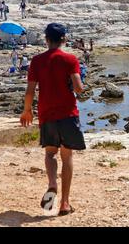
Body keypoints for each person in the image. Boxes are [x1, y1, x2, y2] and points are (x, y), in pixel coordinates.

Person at [20, 23, 85, 216]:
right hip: (68, 113)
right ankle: (65, 203)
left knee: (50, 154)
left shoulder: (37, 61)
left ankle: (52, 184)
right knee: (67, 156)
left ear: (46, 39)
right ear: (64, 39)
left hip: (47, 114)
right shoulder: (70, 59)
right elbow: (79, 88)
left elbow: (30, 90)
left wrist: (27, 111)